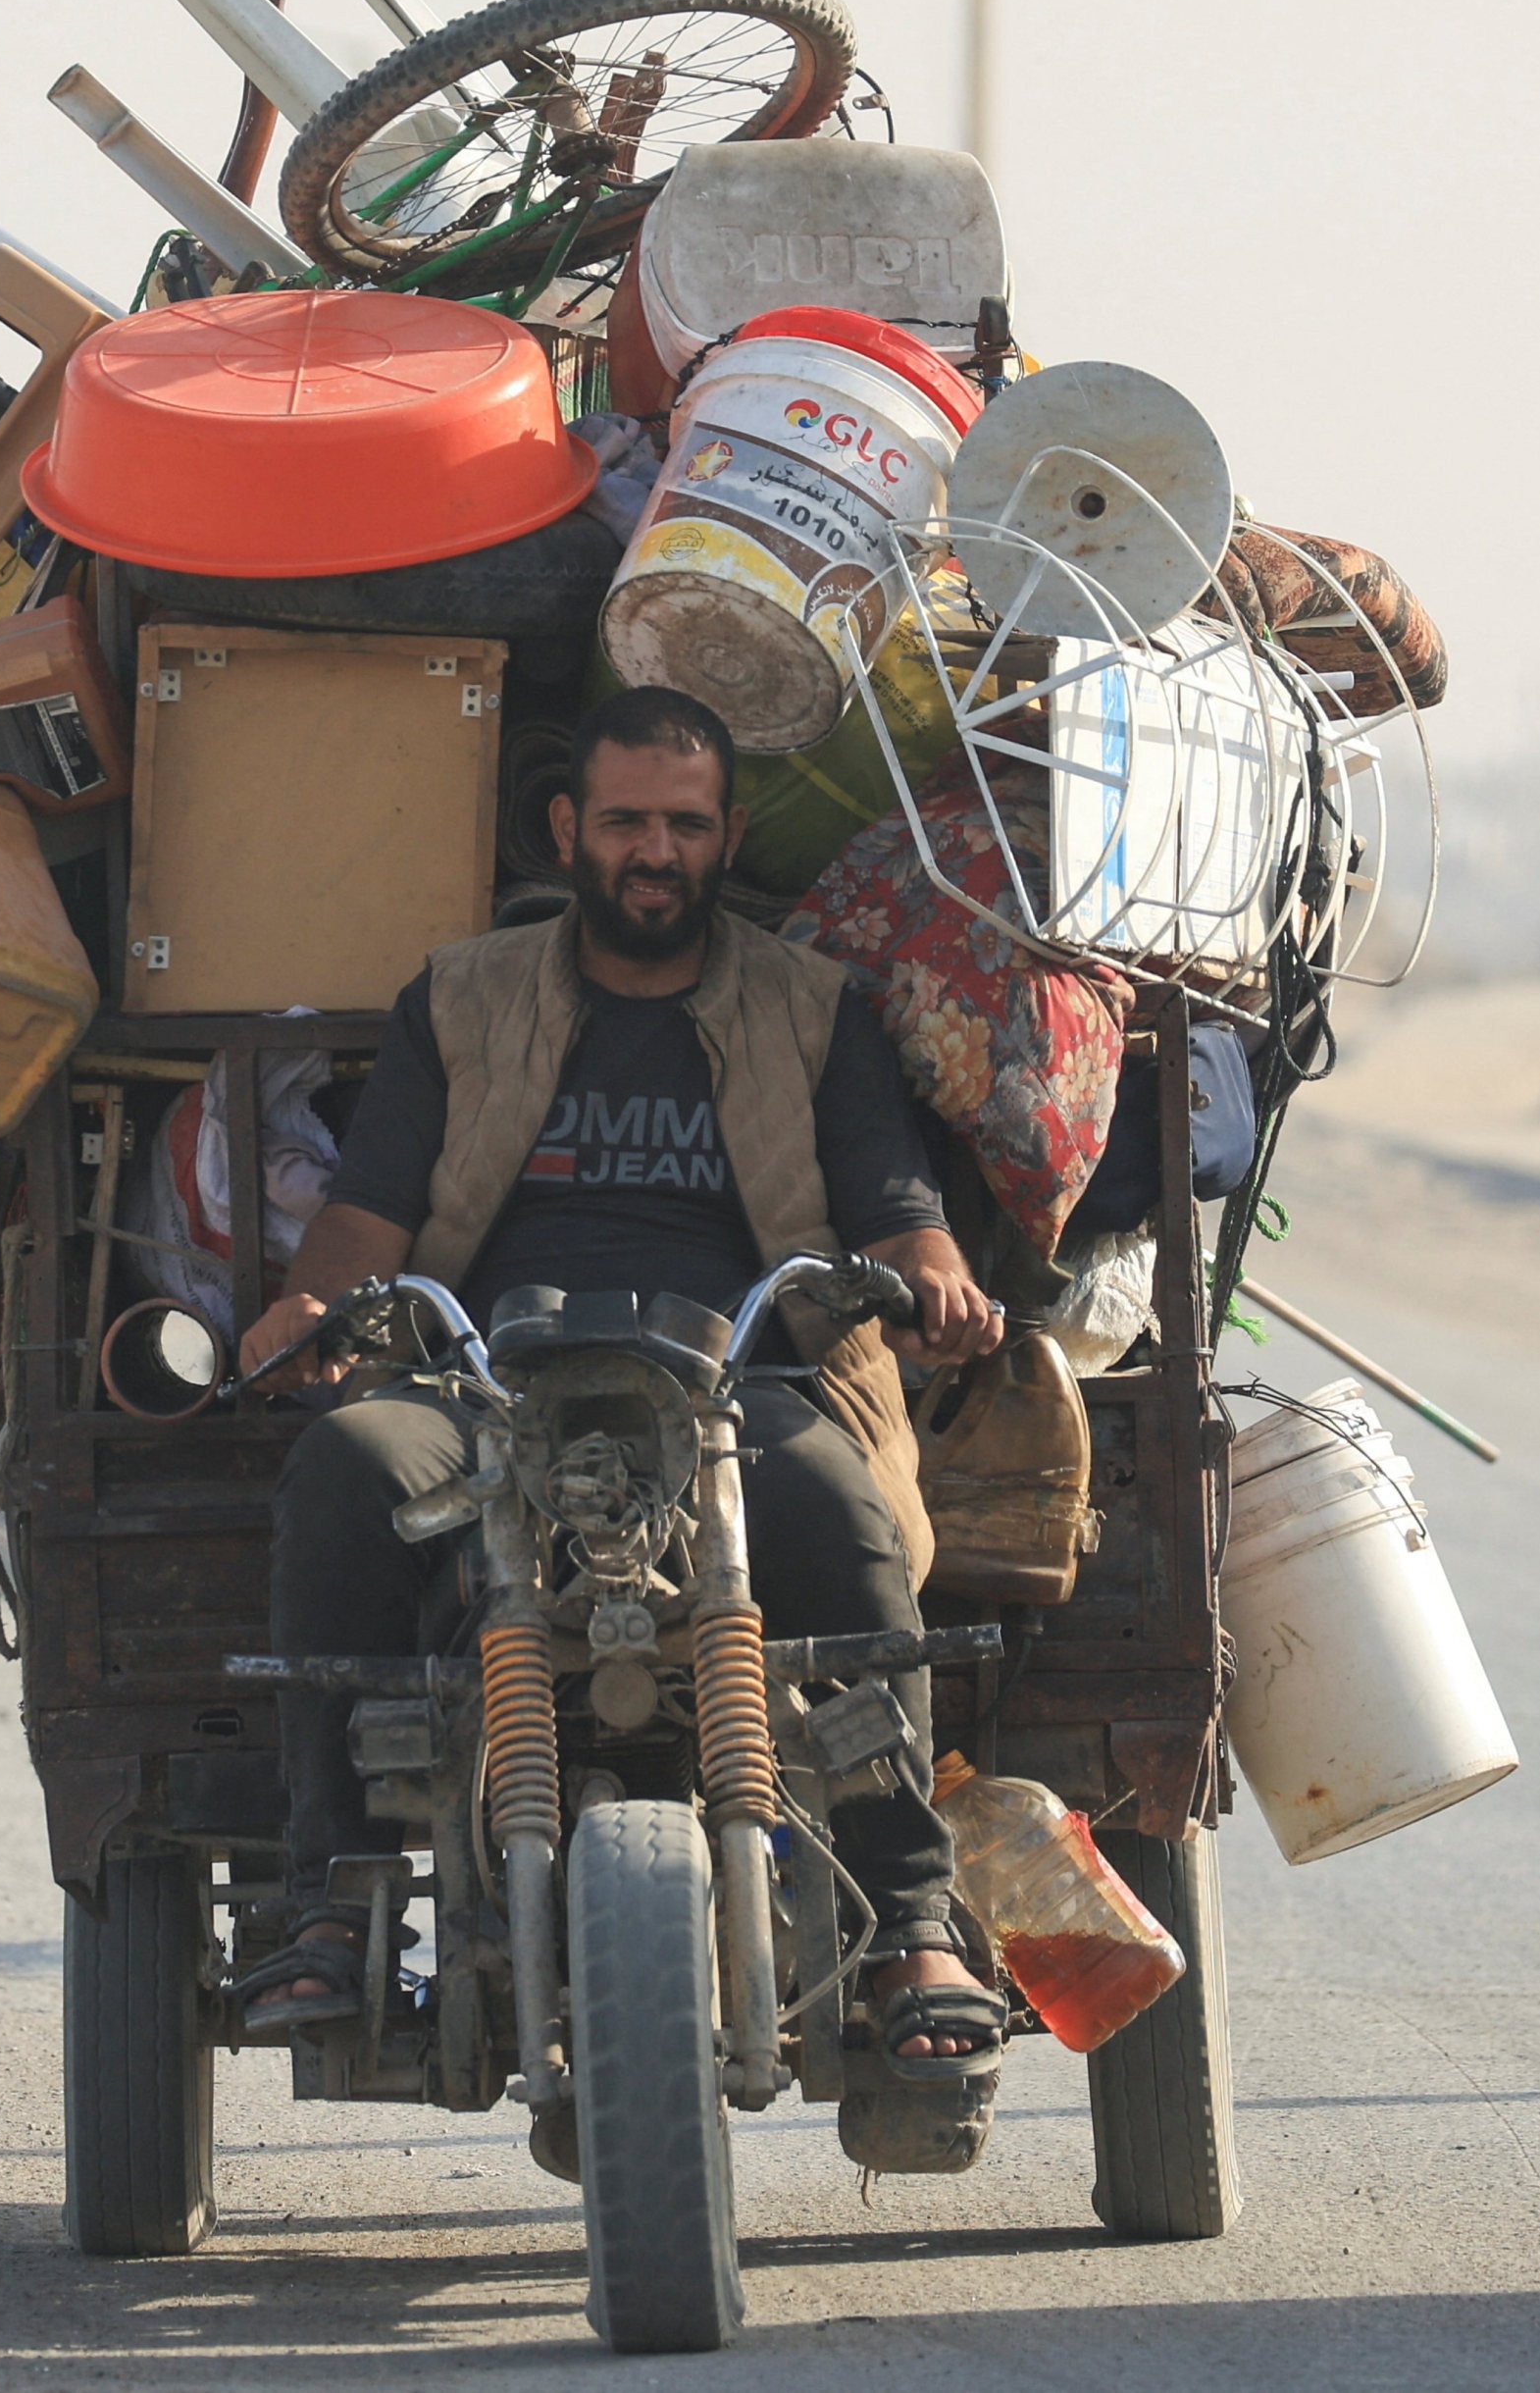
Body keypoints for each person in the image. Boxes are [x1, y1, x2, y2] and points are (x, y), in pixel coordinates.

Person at [227, 686, 1012, 2081]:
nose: (657, 850)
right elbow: (371, 1214)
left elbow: (897, 1205)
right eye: (630, 820)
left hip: (735, 1389)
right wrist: (309, 1306)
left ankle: (909, 1918)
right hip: (484, 1389)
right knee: (346, 1466)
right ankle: (331, 1897)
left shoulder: (810, 1004)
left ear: (727, 836)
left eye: (687, 824)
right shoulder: (462, 996)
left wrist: (936, 1277)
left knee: (841, 1511)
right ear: (568, 827)